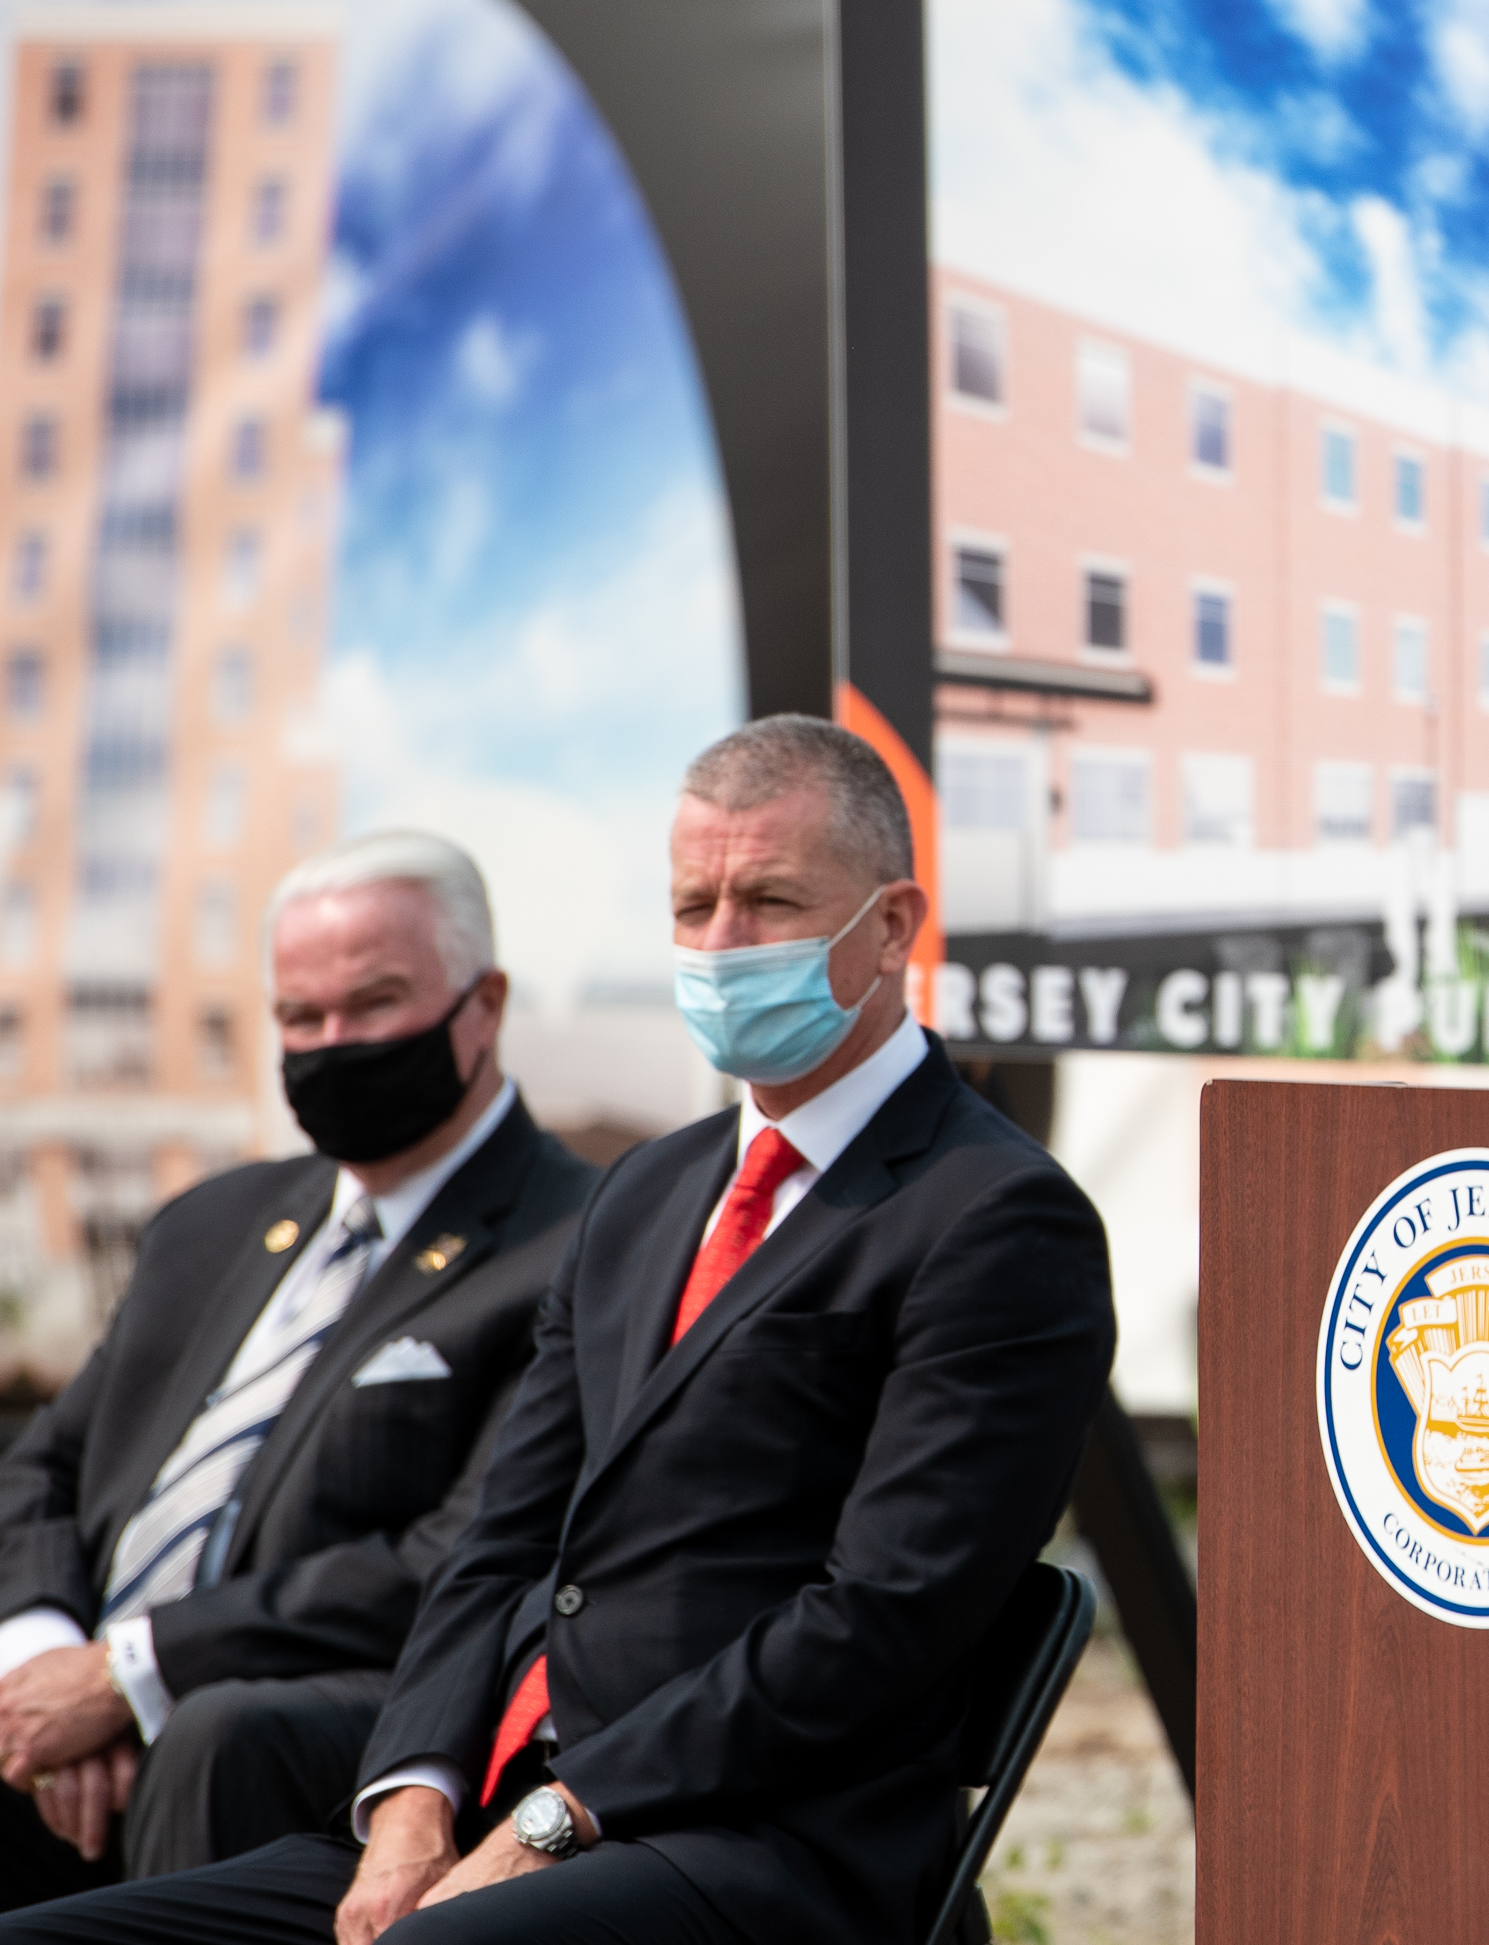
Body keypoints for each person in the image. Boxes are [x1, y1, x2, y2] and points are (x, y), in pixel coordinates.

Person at [0, 713, 1117, 1945]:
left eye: (773, 902)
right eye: (695, 907)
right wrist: (414, 1791)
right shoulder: (645, 1191)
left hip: (757, 1847)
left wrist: (563, 1817)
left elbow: (884, 1616)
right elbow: (502, 1537)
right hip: (506, 1811)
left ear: (894, 923)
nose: (723, 943)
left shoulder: (996, 1216)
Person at [0, 835, 592, 1898]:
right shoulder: (211, 1225)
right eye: (299, 1018)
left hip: (321, 1719)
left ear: (485, 1004)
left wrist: (137, 1674)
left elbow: (459, 1552)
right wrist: (46, 1669)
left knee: (219, 1737)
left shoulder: (584, 1242)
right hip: (92, 1703)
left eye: (373, 1004)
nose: (332, 1043)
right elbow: (42, 1470)